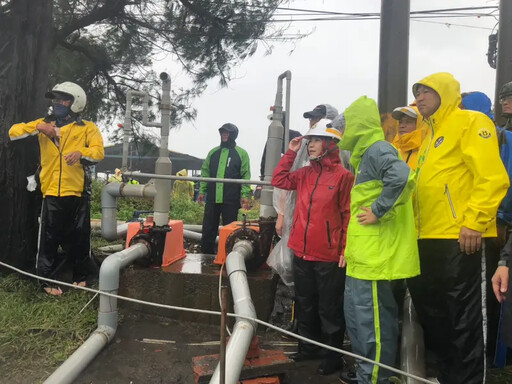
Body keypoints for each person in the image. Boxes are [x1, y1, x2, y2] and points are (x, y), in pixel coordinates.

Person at [407, 72, 509, 384]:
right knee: (434, 313)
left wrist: (475, 222)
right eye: (417, 92)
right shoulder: (428, 136)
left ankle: (467, 379)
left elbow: (492, 177)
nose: (420, 98)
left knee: (463, 316)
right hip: (425, 237)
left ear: (445, 92)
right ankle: (449, 375)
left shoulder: (471, 122)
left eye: (426, 91)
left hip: (459, 236)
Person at [337, 96, 420, 384]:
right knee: (360, 325)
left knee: (374, 328)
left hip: (375, 262)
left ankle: (375, 379)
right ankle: (366, 375)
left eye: (343, 128)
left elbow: (403, 176)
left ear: (356, 126)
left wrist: (378, 210)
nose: (339, 135)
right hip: (362, 260)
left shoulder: (377, 150)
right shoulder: (363, 157)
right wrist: (349, 251)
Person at [272, 119, 353, 376]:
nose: (311, 146)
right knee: (305, 302)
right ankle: (308, 349)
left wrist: (345, 250)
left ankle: (332, 357)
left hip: (328, 255)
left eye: (316, 141)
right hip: (301, 250)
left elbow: (348, 215)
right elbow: (279, 179)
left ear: (330, 144)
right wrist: (292, 151)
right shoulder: (305, 174)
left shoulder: (344, 177)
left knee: (329, 308)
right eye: (310, 141)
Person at [9, 81, 104, 295]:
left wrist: (81, 153)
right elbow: (13, 132)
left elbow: (98, 152)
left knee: (81, 236)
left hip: (78, 192)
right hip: (51, 192)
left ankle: (81, 276)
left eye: (63, 99)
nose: (58, 103)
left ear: (75, 102)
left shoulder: (87, 127)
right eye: (56, 99)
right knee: (48, 239)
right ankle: (46, 281)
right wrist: (37, 127)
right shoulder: (44, 124)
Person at [275, 103, 339, 237]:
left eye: (317, 119)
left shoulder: (342, 157)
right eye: (311, 119)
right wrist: (281, 214)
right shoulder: (304, 147)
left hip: (325, 230)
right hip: (298, 219)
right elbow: (282, 182)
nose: (312, 123)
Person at [198, 123, 251, 254]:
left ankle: (228, 256)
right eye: (222, 133)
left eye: (227, 133)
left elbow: (245, 176)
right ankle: (206, 256)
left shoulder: (241, 154)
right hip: (212, 198)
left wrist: (245, 195)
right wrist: (202, 190)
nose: (224, 135)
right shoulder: (213, 152)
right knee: (208, 229)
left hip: (231, 199)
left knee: (230, 229)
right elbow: (205, 172)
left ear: (233, 135)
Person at [390, 105, 427, 171]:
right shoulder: (393, 153)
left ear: (420, 124)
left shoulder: (427, 152)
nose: (402, 126)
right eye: (400, 122)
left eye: (408, 122)